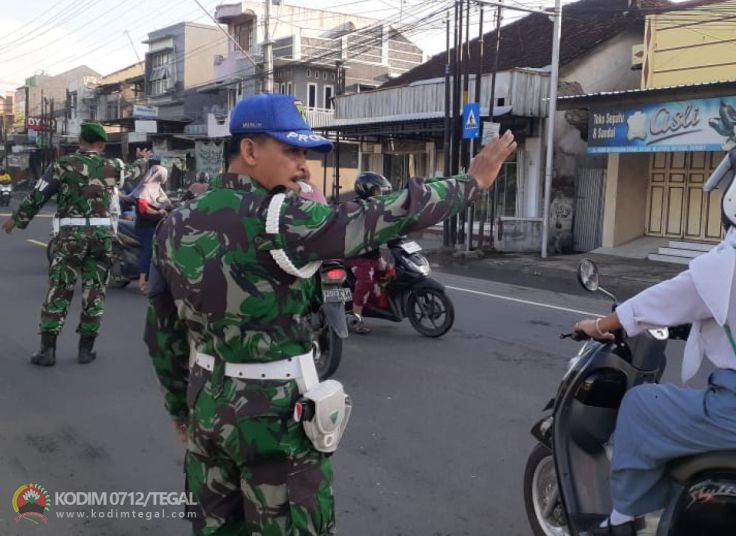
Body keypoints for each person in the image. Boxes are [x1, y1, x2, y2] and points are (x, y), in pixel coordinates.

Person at [143, 93, 516, 535]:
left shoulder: (175, 222)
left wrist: (179, 407)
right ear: (249, 150)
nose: (303, 166)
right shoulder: (282, 217)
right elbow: (384, 214)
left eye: (306, 154)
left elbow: (161, 331)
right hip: (275, 416)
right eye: (292, 151)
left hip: (206, 407)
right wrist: (471, 182)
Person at [573, 142, 736, 535]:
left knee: (641, 404)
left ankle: (622, 520)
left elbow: (652, 304)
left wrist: (597, 325)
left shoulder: (725, 265)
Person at [3, 122, 150, 366]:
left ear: (80, 142)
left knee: (59, 290)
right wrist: (143, 160)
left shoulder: (61, 165)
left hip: (70, 238)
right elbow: (135, 170)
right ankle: (85, 350)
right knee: (95, 292)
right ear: (101, 145)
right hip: (102, 238)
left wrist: (17, 220)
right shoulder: (113, 166)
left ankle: (47, 351)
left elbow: (39, 195)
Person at [346, 172, 394, 334]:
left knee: (390, 271)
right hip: (358, 257)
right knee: (365, 282)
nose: (380, 194)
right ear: (368, 190)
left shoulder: (376, 206)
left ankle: (377, 301)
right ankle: (356, 319)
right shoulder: (357, 207)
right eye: (378, 191)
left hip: (373, 255)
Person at [131, 164, 171, 293]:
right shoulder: (144, 189)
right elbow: (143, 209)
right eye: (163, 174)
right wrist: (157, 213)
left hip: (157, 225)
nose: (165, 177)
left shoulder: (158, 189)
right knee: (149, 251)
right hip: (145, 227)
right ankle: (142, 281)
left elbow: (167, 204)